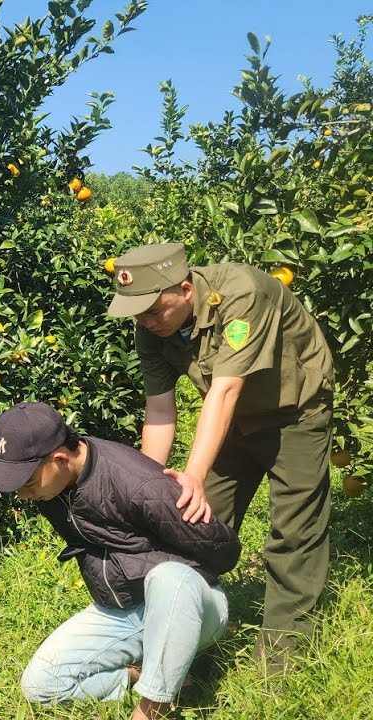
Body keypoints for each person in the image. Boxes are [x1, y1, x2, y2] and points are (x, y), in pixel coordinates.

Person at [107, 242, 334, 668]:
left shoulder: (242, 293)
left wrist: (193, 473)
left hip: (293, 413)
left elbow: (225, 389)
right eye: (138, 313)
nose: (146, 321)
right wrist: (147, 488)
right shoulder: (150, 326)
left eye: (155, 310)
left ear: (186, 288)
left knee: (293, 535)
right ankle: (179, 641)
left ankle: (283, 661)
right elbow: (159, 411)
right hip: (231, 421)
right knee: (193, 525)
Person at [0, 402, 241, 719]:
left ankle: (152, 708)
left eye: (28, 483)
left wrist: (158, 573)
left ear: (59, 459)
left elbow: (225, 552)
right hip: (128, 610)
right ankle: (142, 674)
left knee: (169, 577)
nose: (23, 495)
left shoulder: (141, 486)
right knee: (41, 685)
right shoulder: (55, 486)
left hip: (191, 603)